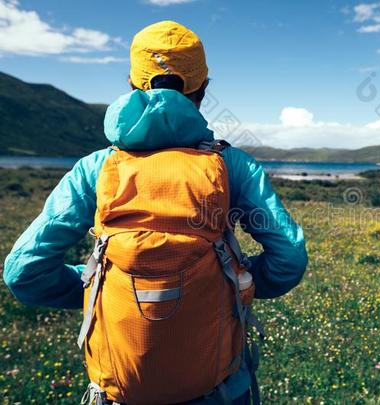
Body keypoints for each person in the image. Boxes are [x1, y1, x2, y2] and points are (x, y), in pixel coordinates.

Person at [3, 21, 308, 405]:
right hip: (222, 392)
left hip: (119, 393)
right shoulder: (233, 165)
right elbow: (289, 259)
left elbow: (24, 273)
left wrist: (95, 289)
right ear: (203, 88)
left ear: (132, 84)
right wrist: (230, 286)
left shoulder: (94, 169)